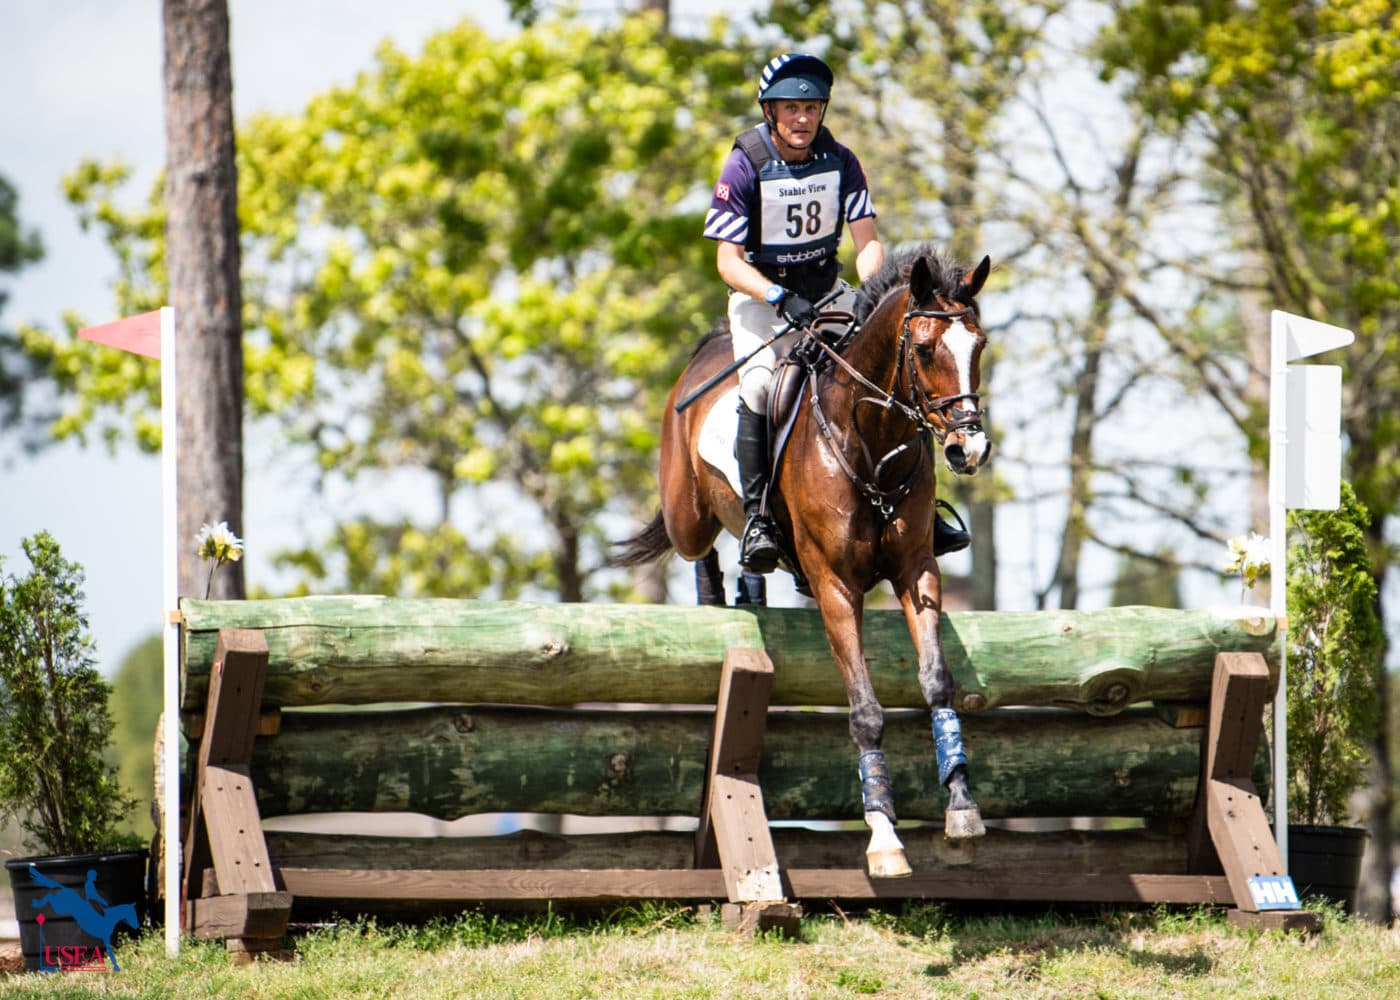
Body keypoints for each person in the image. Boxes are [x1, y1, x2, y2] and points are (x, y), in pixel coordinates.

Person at [703, 52, 970, 574]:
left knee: (894, 367)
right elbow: (727, 262)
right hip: (763, 299)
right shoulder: (745, 162)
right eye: (791, 108)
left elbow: (866, 241)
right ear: (770, 111)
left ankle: (922, 513)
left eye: (811, 107)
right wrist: (776, 297)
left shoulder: (841, 160)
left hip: (828, 292)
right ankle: (758, 516)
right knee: (759, 386)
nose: (803, 118)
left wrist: (876, 294)